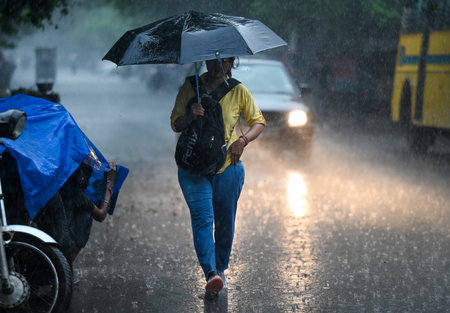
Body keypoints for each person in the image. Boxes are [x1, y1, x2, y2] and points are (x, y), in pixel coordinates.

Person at [170, 57, 266, 296]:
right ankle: (211, 273)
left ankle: (220, 268)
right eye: (212, 60)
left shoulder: (238, 90)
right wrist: (192, 114)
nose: (216, 65)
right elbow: (175, 123)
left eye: (222, 61)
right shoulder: (191, 87)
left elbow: (259, 122)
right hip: (193, 167)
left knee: (225, 222)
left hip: (227, 166)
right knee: (203, 219)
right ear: (204, 60)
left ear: (230, 62)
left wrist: (242, 141)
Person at [59, 161, 118, 262]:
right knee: (87, 214)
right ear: (80, 177)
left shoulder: (61, 185)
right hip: (60, 244)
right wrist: (110, 183)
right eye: (87, 177)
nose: (88, 183)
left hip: (50, 238)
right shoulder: (76, 193)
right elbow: (101, 215)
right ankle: (66, 262)